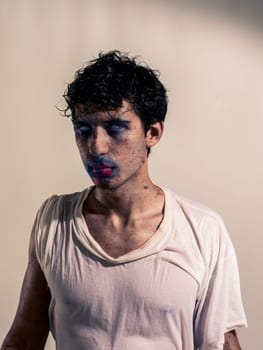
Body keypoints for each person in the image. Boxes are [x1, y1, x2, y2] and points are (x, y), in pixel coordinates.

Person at [1, 51, 247, 350]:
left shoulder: (202, 229)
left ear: (152, 133)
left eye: (115, 128)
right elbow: (25, 338)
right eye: (83, 130)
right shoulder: (54, 220)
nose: (97, 146)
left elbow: (221, 343)